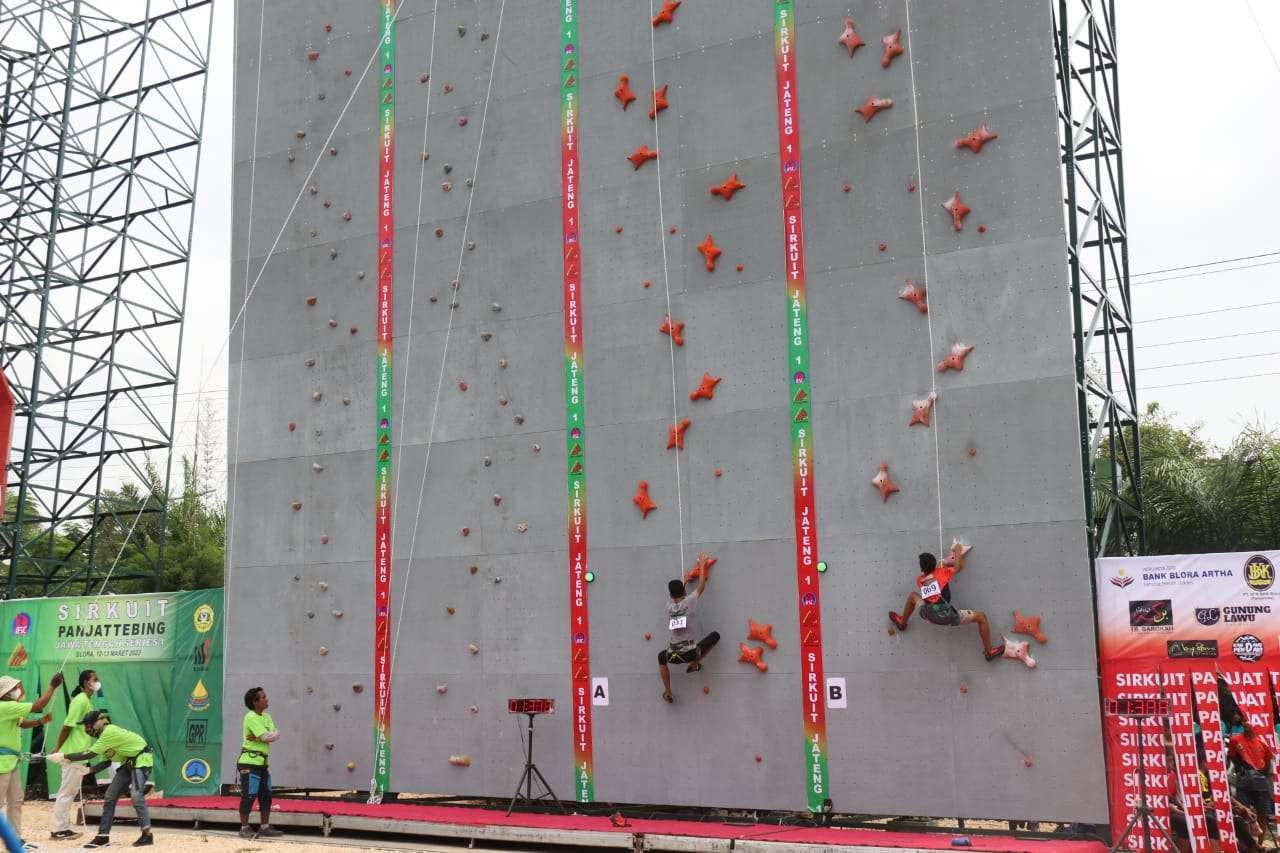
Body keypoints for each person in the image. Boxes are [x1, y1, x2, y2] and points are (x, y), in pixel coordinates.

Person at [48, 710, 153, 848]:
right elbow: (106, 762)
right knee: (109, 796)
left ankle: (147, 835)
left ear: (97, 723)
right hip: (128, 763)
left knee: (136, 796)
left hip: (142, 761)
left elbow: (89, 754)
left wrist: (64, 756)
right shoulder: (103, 738)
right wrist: (88, 771)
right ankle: (103, 837)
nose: (86, 729)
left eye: (88, 725)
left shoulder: (109, 732)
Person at [888, 545, 1005, 661]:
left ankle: (902, 623)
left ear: (922, 569)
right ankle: (989, 652)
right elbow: (959, 567)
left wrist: (941, 565)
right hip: (946, 615)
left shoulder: (920, 580)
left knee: (913, 596)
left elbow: (933, 576)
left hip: (927, 613)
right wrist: (958, 549)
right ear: (935, 564)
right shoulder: (943, 573)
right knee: (982, 617)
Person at [0, 671, 63, 848]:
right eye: (15, 688)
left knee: (16, 800)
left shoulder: (10, 707)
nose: (19, 690)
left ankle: (14, 839)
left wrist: (40, 722)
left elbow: (20, 723)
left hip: (10, 762)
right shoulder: (4, 706)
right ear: (6, 692)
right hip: (2, 763)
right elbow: (37, 705)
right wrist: (52, 686)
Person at [48, 669, 99, 841]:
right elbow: (67, 726)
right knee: (67, 792)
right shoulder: (81, 700)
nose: (97, 681)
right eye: (95, 679)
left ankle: (62, 827)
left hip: (80, 753)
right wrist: (57, 748)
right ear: (86, 682)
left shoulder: (86, 700)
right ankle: (58, 830)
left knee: (69, 792)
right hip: (73, 754)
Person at [658, 563, 720, 703]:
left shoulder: (669, 607)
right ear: (685, 593)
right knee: (715, 636)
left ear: (670, 595)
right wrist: (703, 565)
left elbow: (678, 601)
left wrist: (684, 582)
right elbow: (701, 585)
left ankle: (668, 692)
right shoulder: (690, 601)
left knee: (660, 658)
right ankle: (694, 664)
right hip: (689, 654)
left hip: (672, 655)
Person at [238, 687, 282, 839]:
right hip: (249, 763)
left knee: (266, 795)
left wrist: (262, 736)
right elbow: (267, 737)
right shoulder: (250, 716)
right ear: (255, 702)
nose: (267, 699)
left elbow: (275, 735)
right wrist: (265, 736)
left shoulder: (267, 716)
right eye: (263, 697)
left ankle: (264, 827)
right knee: (249, 795)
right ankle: (244, 828)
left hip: (262, 763)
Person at [1228, 718, 1275, 838]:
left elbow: (1268, 761)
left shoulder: (1263, 741)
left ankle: (1259, 844)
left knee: (1262, 814)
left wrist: (1260, 774)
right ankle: (1248, 844)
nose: (1246, 724)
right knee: (1243, 813)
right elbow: (1233, 756)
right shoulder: (1235, 739)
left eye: (1248, 721)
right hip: (1243, 781)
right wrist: (1242, 770)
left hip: (1261, 783)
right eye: (1244, 721)